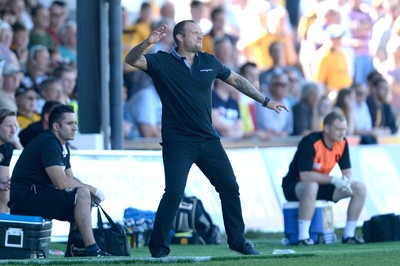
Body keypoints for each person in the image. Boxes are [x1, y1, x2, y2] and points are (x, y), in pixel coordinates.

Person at [125, 20, 288, 258]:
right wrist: (146, 43)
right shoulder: (161, 61)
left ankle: (238, 241)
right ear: (179, 38)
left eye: (201, 33)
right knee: (174, 192)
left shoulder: (209, 61)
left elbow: (237, 80)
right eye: (195, 33)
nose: (200, 37)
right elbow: (131, 60)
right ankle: (159, 248)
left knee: (230, 188)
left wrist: (265, 101)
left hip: (208, 139)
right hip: (178, 141)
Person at [8, 104, 111, 257]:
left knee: (82, 195)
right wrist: (92, 189)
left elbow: (70, 179)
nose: (75, 128)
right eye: (70, 123)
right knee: (82, 193)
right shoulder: (49, 142)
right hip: (25, 199)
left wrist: (88, 192)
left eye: (75, 123)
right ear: (56, 126)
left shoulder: (63, 146)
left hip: (36, 195)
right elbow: (61, 183)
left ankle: (75, 247)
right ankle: (92, 249)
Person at [282, 111, 366, 245]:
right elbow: (305, 175)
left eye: (344, 129)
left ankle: (348, 235)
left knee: (359, 188)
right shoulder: (310, 142)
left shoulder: (342, 143)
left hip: (321, 185)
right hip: (295, 186)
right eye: (338, 129)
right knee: (311, 185)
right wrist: (334, 180)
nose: (342, 133)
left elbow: (347, 171)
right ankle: (303, 237)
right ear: (326, 128)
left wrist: (347, 180)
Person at [0, 108, 18, 213]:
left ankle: (3, 225)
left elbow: (4, 180)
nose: (14, 130)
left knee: (5, 190)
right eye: (9, 126)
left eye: (15, 126)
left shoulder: (7, 147)